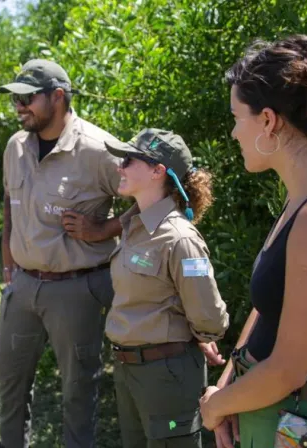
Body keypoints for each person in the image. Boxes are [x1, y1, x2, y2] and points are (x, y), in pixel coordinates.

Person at [199, 35, 307, 448]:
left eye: (236, 117)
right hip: (270, 414)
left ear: (267, 120)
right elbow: (267, 312)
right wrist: (228, 392)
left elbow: (288, 369)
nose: (232, 131)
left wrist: (216, 405)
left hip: (300, 426)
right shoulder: (302, 201)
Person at [0, 59, 122, 448]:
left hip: (77, 289)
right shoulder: (16, 146)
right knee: (8, 376)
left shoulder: (99, 150)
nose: (19, 107)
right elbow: (9, 205)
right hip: (22, 285)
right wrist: (8, 265)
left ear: (58, 97)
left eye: (27, 99)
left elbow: (156, 196)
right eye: (16, 99)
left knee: (78, 390)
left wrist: (105, 228)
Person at [103, 128, 229, 447]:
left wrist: (194, 335)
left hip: (166, 377)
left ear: (158, 171)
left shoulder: (180, 238)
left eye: (129, 160)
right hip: (129, 370)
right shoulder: (134, 227)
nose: (120, 166)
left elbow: (210, 319)